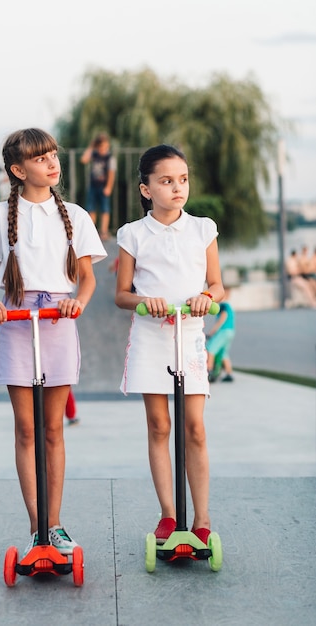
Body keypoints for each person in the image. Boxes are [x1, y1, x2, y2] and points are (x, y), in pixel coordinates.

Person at [0, 128, 107, 557]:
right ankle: (37, 528)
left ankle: (56, 524)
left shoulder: (76, 216)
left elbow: (87, 279)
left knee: (53, 429)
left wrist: (78, 304)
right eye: (40, 158)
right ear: (17, 169)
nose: (52, 163)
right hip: (16, 320)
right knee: (26, 429)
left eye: (53, 155)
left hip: (58, 320)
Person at [115, 144, 224, 546]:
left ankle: (203, 518)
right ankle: (168, 514)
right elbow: (122, 294)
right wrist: (146, 301)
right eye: (166, 181)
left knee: (194, 428)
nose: (177, 187)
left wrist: (207, 298)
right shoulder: (132, 234)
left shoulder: (203, 228)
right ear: (146, 190)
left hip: (189, 335)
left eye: (182, 179)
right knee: (159, 425)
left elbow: (217, 285)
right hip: (150, 336)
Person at [80, 132, 116, 240]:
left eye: (105, 146)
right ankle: (91, 230)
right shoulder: (94, 154)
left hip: (103, 186)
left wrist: (109, 187)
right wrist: (91, 146)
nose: (102, 149)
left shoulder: (110, 157)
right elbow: (84, 160)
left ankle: (104, 231)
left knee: (105, 209)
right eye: (100, 146)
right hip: (93, 185)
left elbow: (111, 173)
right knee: (91, 209)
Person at [206, 287, 236, 382]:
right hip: (230, 331)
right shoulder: (229, 306)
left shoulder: (223, 306)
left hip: (223, 331)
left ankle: (209, 372)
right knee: (224, 353)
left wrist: (212, 332)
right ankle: (229, 374)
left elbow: (222, 318)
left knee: (210, 349)